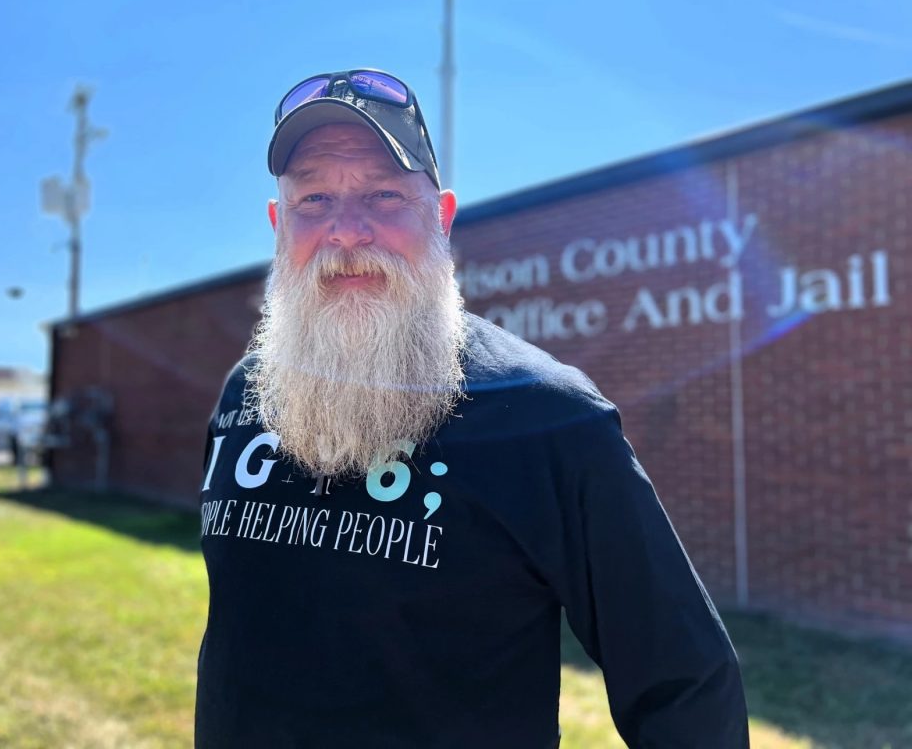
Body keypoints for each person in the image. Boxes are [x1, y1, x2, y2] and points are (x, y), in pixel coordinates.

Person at [195, 68, 749, 748]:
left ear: (442, 218)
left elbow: (686, 685)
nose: (346, 231)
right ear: (280, 225)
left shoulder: (547, 417)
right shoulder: (245, 392)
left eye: (384, 194)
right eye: (313, 198)